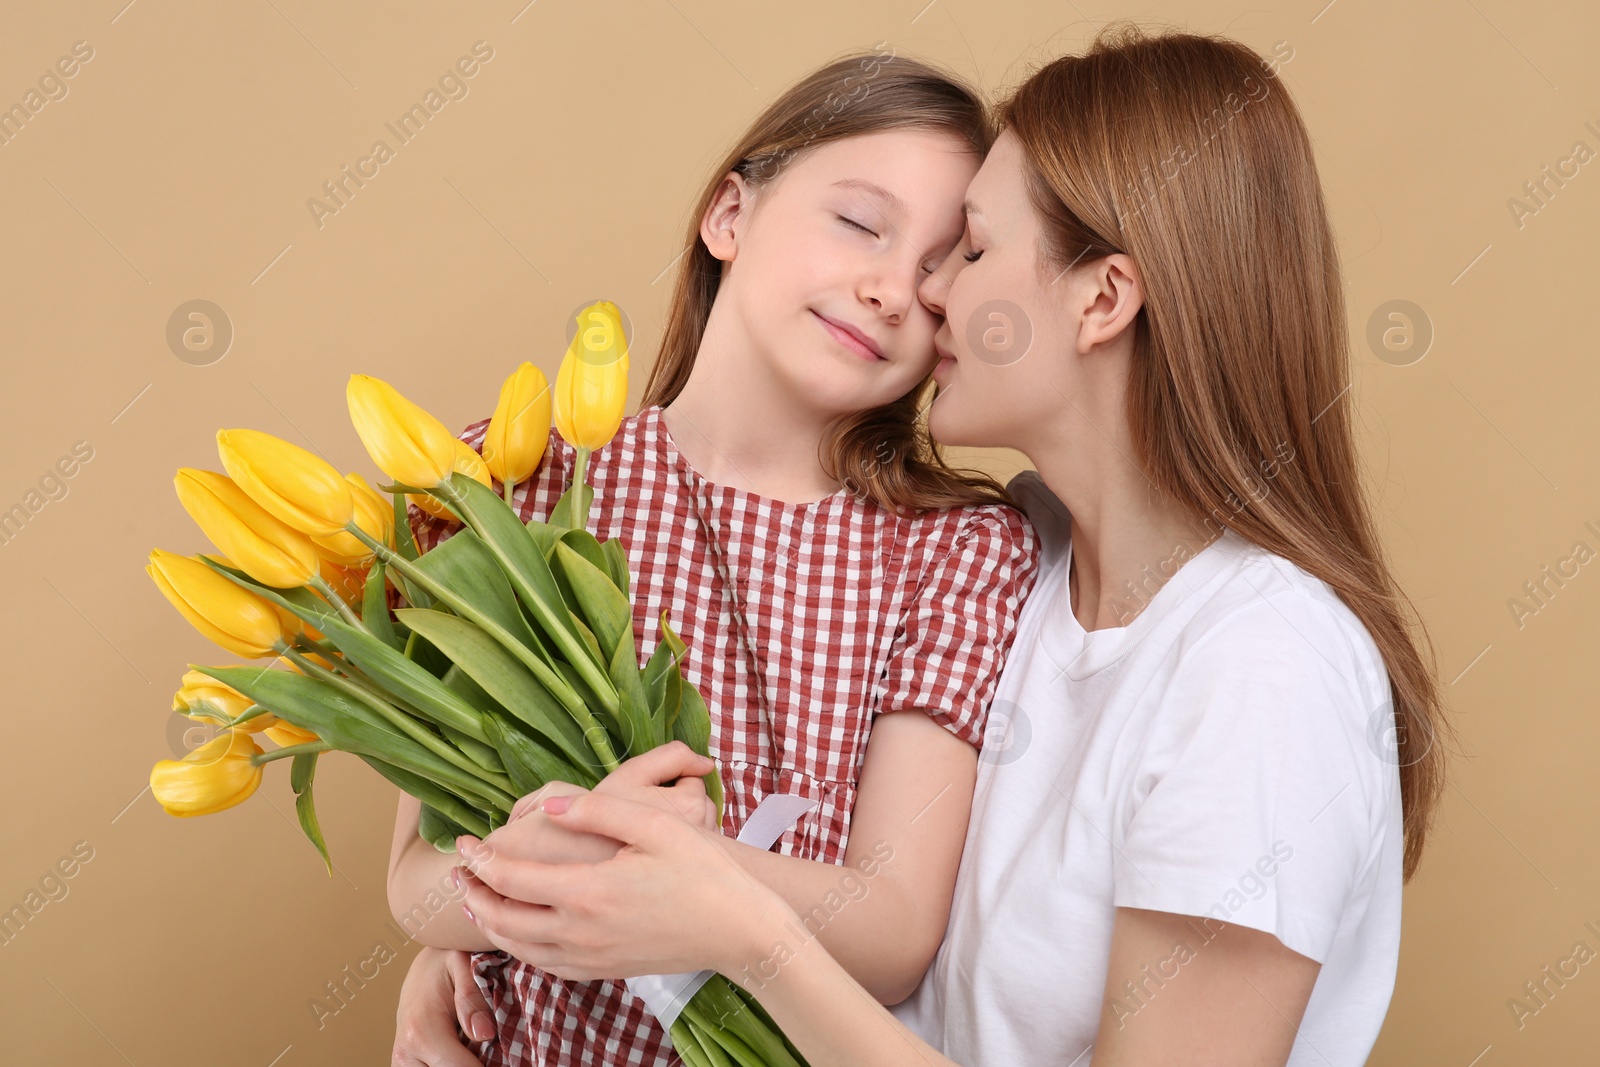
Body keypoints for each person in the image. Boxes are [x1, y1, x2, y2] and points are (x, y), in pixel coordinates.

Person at [425, 24, 1455, 1067]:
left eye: (967, 248)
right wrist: (491, 930)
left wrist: (723, 918)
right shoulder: (1039, 553)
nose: (923, 294)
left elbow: (867, 925)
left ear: (1101, 299)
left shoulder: (1262, 669)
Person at [385, 47, 1043, 1067]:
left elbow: (893, 926)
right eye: (860, 223)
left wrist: (670, 874)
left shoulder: (952, 548)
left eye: (938, 266)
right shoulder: (517, 476)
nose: (888, 289)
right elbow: (415, 882)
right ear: (728, 216)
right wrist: (511, 874)